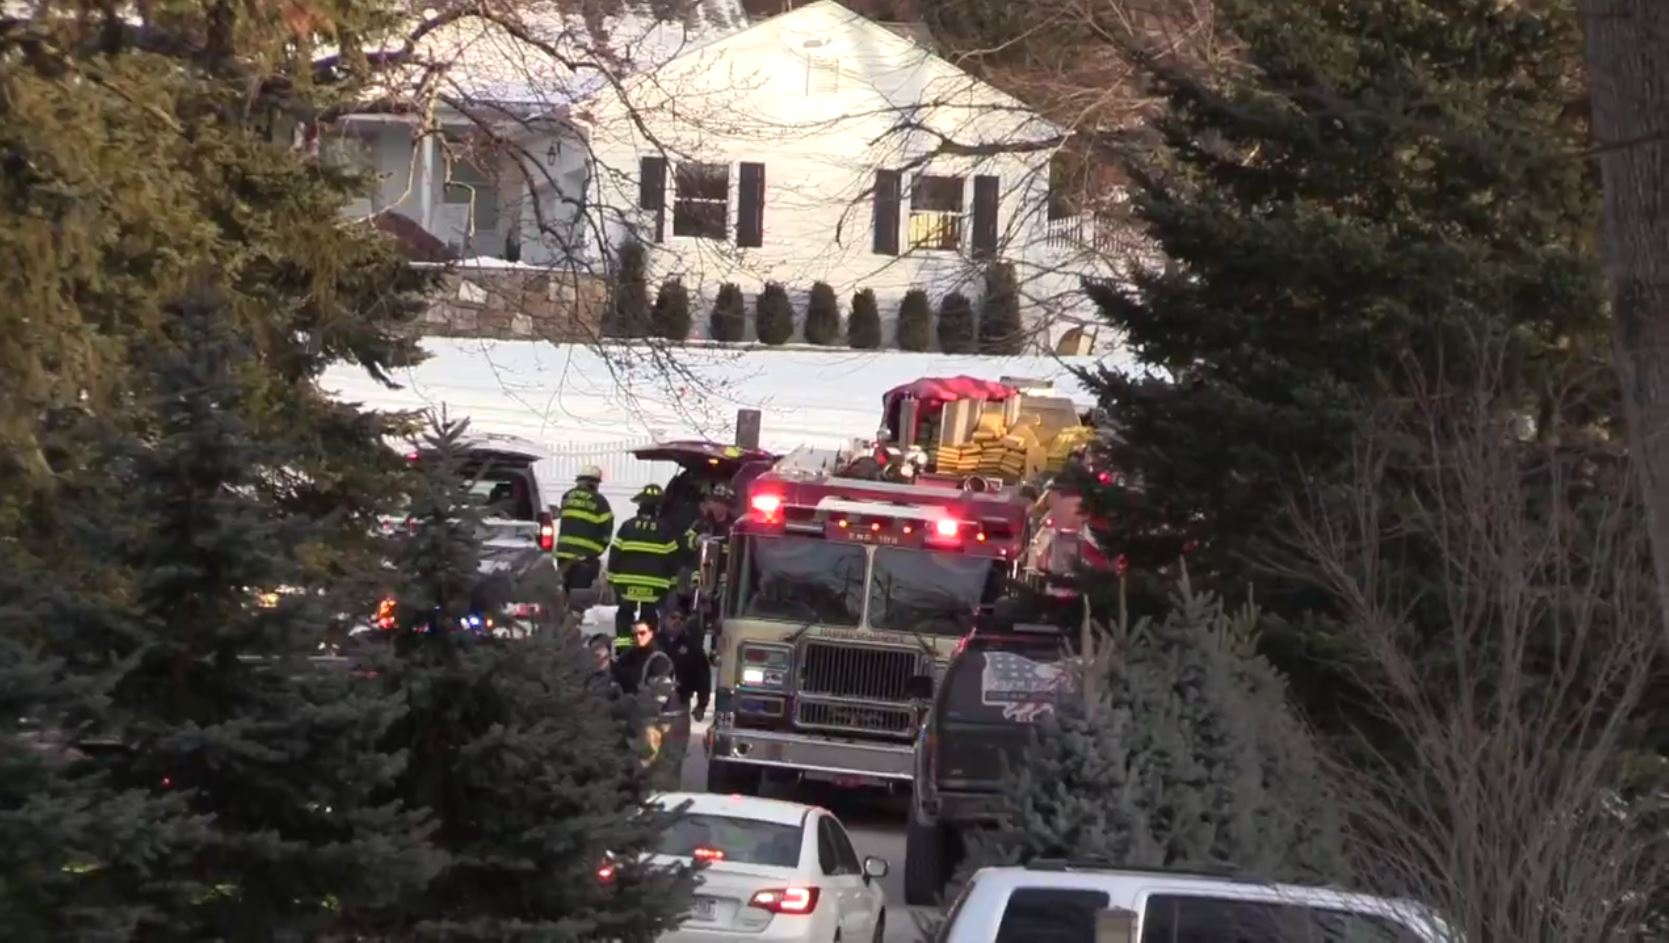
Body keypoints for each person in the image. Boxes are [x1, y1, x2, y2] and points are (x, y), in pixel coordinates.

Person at [606, 484, 680, 650]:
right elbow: (673, 559)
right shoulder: (665, 529)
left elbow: (616, 553)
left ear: (640, 505)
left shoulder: (627, 526)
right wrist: (672, 583)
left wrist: (611, 578)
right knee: (649, 614)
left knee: (625, 614)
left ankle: (624, 648)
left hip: (626, 583)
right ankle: (645, 647)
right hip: (655, 585)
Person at [555, 466, 614, 610]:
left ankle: (560, 619)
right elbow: (607, 529)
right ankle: (572, 622)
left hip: (563, 555)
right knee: (579, 596)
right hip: (584, 558)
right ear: (594, 483)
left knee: (564, 590)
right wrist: (598, 550)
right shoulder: (600, 501)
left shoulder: (567, 496)